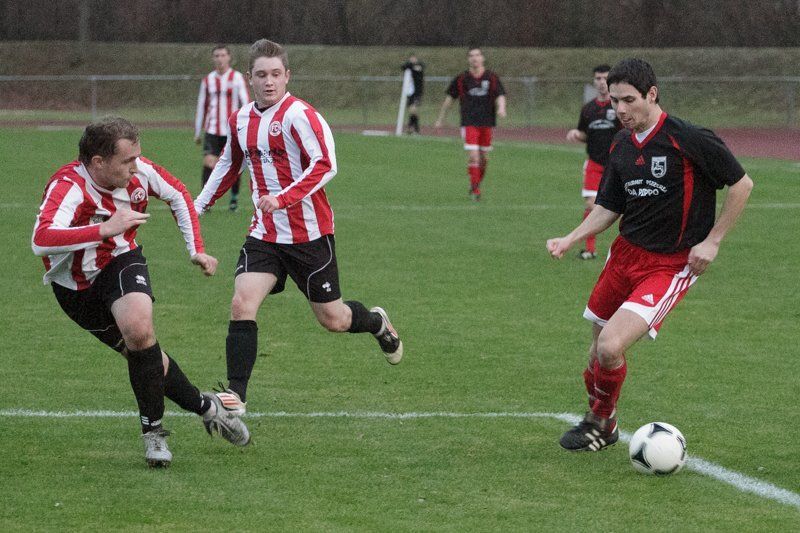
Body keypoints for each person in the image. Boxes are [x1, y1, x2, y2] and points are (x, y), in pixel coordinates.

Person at [546, 58, 753, 452]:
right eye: (614, 101)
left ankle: (599, 422)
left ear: (652, 94)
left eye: (629, 100)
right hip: (624, 257)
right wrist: (571, 238)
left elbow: (742, 184)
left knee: (610, 347)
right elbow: (609, 206)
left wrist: (713, 240)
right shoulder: (621, 144)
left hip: (669, 265)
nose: (620, 109)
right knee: (595, 357)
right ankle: (605, 423)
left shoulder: (687, 138)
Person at [194, 39, 404, 414]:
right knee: (242, 302)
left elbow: (325, 165)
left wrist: (283, 198)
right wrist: (198, 206)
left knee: (334, 319)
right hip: (264, 235)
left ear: (287, 76)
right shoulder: (240, 120)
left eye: (276, 74)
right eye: (261, 74)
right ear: (250, 78)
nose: (269, 81)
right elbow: (228, 164)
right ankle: (236, 397)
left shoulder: (300, 116)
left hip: (309, 235)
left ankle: (376, 323)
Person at [32, 117, 251, 468]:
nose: (136, 167)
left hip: (121, 261)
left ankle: (154, 433)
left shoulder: (140, 173)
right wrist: (103, 228)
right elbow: (41, 239)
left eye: (137, 157)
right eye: (127, 160)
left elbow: (178, 194)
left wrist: (196, 249)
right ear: (98, 162)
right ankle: (207, 408)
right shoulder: (69, 186)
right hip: (73, 288)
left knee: (139, 329)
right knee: (149, 359)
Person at [434, 47, 506, 201]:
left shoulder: (491, 77)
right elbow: (449, 100)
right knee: (474, 156)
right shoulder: (462, 79)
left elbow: (500, 94)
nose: (474, 58)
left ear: (482, 58)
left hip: (487, 122)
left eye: (477, 55)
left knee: (484, 158)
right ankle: (475, 190)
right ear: (468, 59)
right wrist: (440, 119)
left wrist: (502, 108)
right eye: (471, 56)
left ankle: (476, 182)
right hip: (469, 122)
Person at [565, 64, 622, 260]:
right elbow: (584, 134)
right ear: (594, 81)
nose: (601, 82)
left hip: (616, 166)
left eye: (605, 78)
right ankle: (590, 250)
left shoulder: (619, 107)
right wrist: (576, 134)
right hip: (594, 164)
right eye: (598, 78)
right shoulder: (588, 109)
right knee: (591, 203)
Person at [194, 44, 250, 211]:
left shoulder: (237, 78)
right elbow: (201, 105)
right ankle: (205, 202)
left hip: (232, 131)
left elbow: (245, 103)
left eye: (223, 55)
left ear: (229, 57)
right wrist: (198, 131)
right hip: (212, 129)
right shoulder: (208, 80)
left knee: (234, 165)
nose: (220, 59)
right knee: (209, 162)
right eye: (217, 55)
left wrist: (247, 126)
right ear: (213, 58)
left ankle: (234, 199)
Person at [401, 54, 425, 134]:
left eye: (414, 58)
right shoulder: (409, 66)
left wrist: (413, 65)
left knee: (413, 109)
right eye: (411, 58)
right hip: (410, 92)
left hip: (417, 92)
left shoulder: (419, 66)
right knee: (412, 111)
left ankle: (414, 128)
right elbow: (403, 67)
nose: (413, 60)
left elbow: (420, 67)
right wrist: (411, 65)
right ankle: (412, 128)